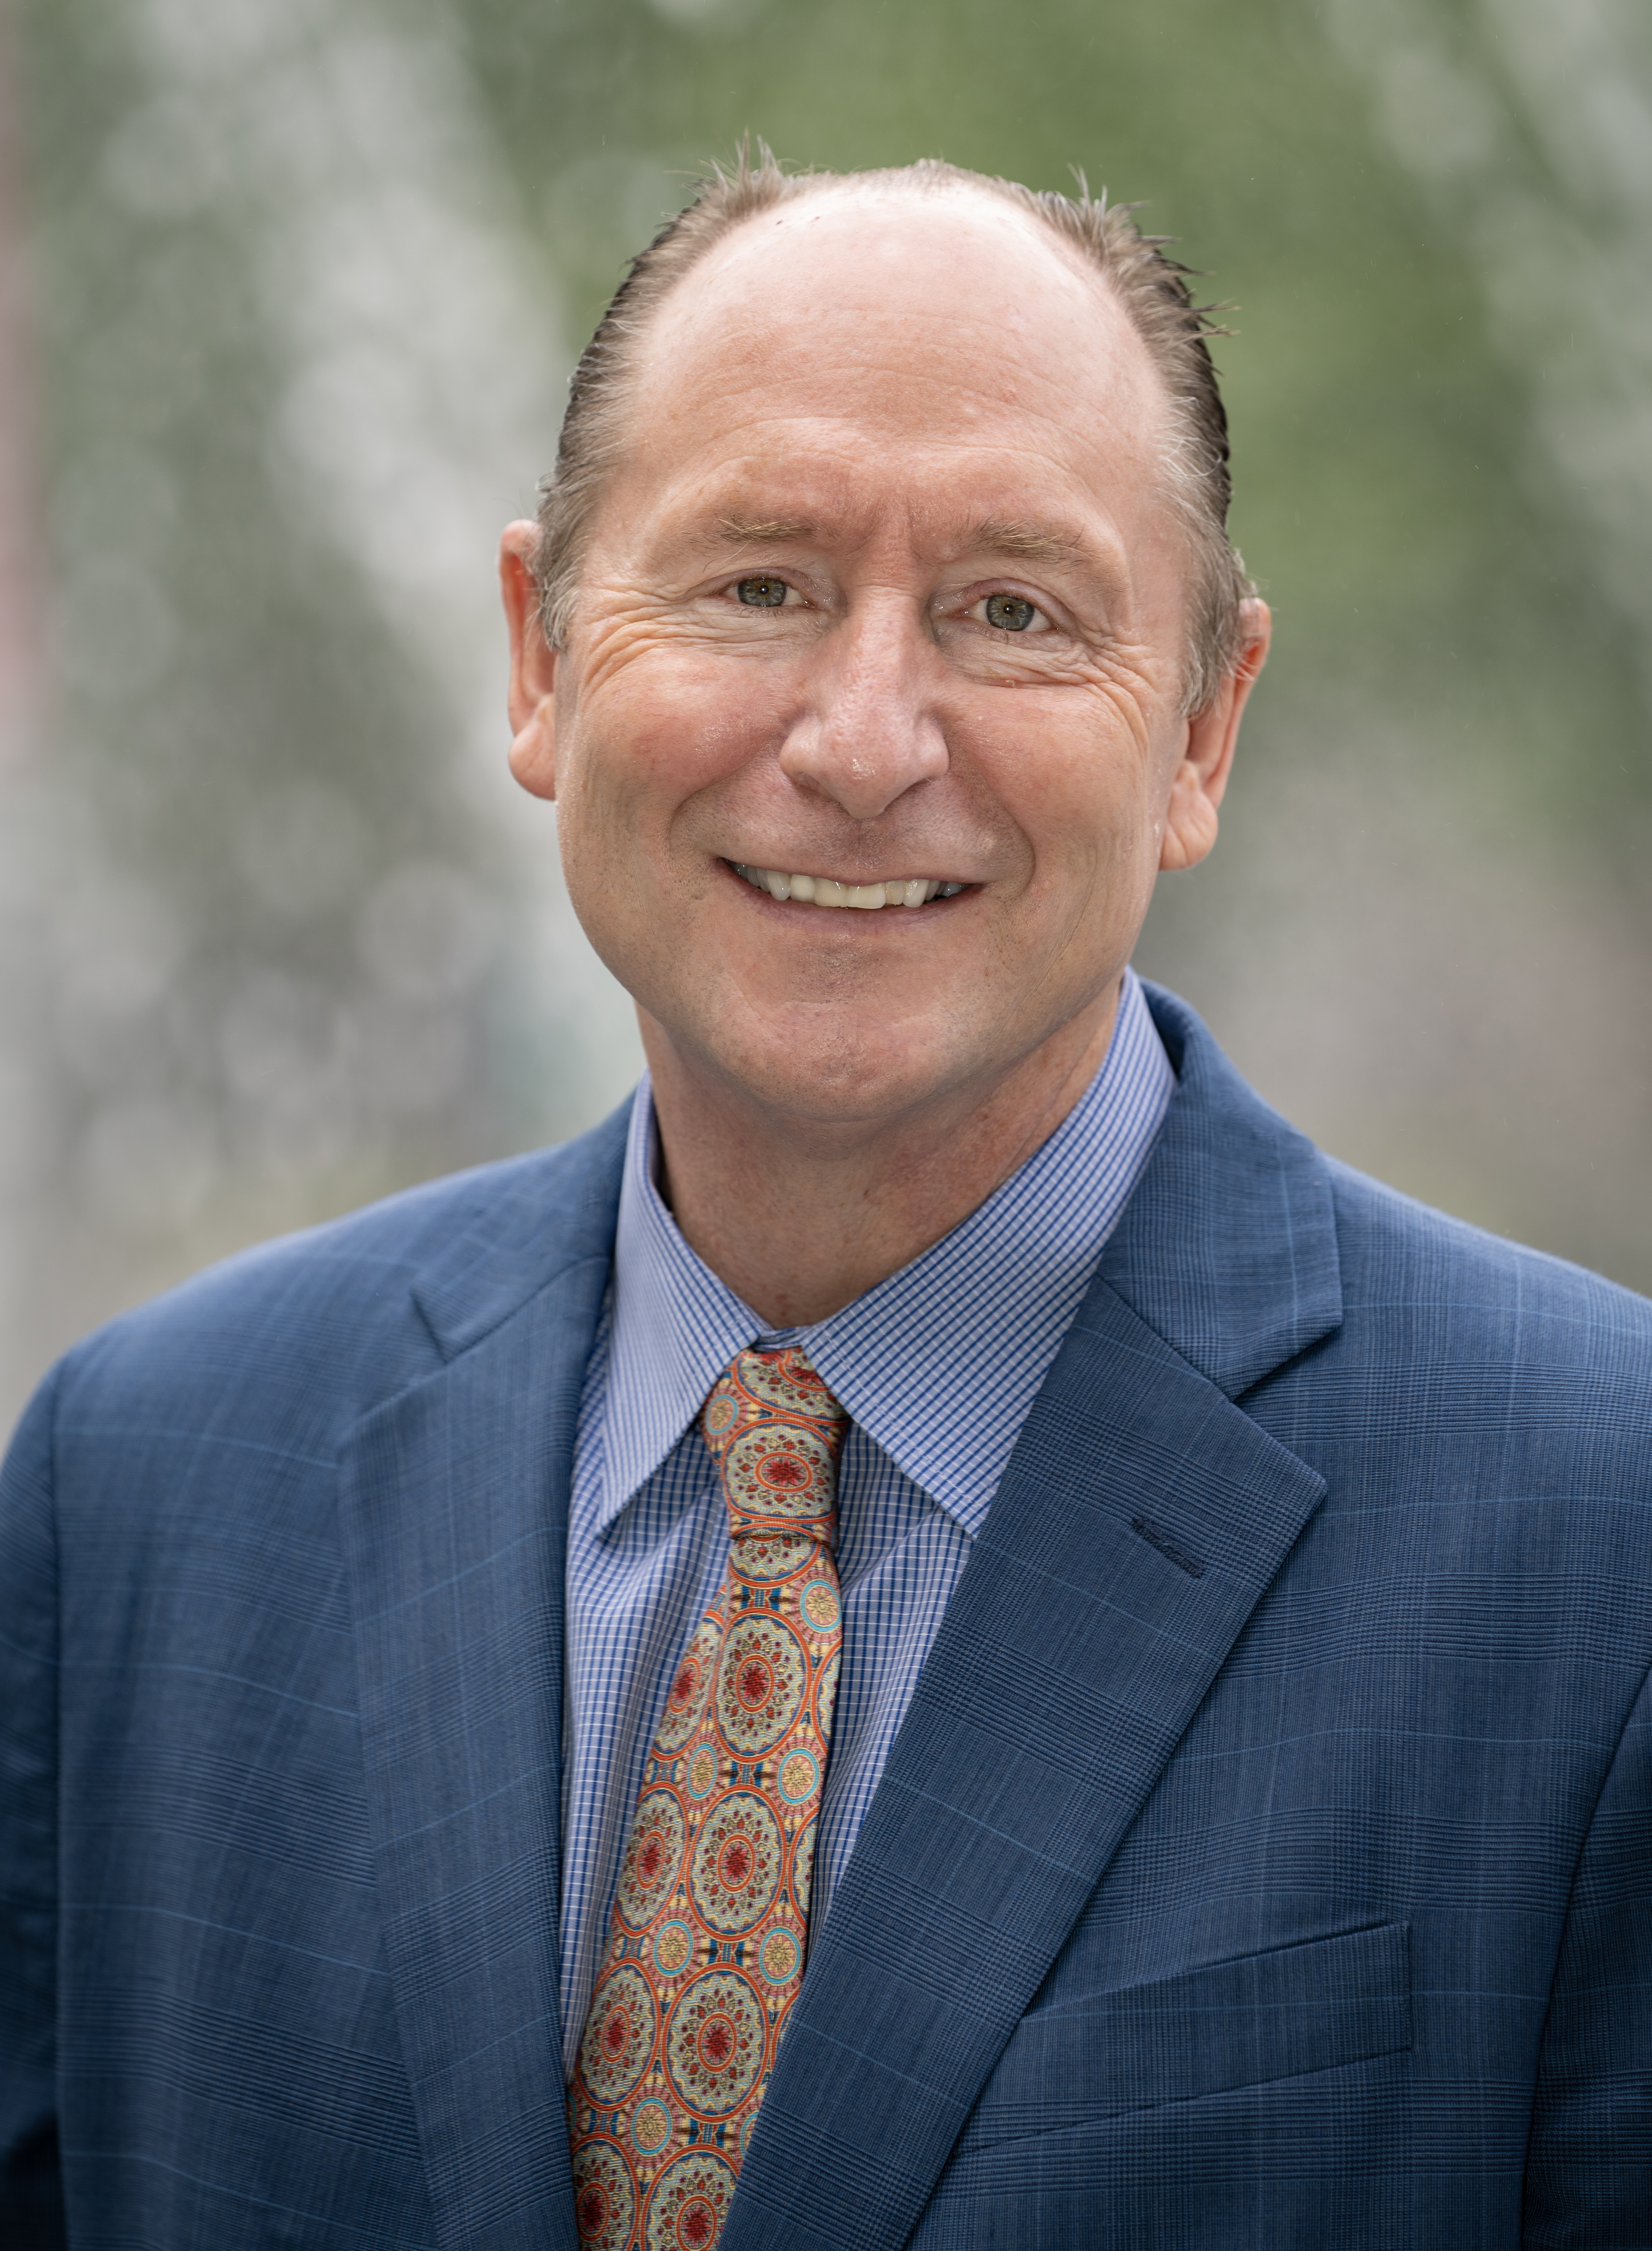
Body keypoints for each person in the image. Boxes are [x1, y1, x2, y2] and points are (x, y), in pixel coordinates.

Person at [2, 152, 1649, 2251]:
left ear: (1204, 729)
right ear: (538, 657)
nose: (865, 741)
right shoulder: (140, 1487)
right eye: (756, 585)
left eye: (1012, 613)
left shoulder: (1605, 1542)